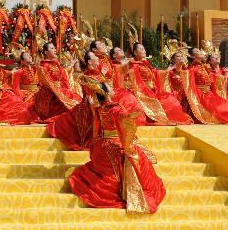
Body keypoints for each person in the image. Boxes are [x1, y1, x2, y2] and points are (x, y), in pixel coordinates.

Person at [68, 81, 165, 213]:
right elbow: (122, 116)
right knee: (138, 157)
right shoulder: (114, 107)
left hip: (101, 145)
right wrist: (133, 114)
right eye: (110, 88)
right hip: (114, 145)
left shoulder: (98, 107)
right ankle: (129, 191)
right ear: (107, 94)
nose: (113, 88)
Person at [127, 42, 192, 124]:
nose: (145, 51)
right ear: (135, 52)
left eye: (144, 49)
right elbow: (134, 81)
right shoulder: (134, 66)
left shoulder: (145, 64)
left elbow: (155, 73)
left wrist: (167, 70)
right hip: (143, 93)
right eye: (142, 49)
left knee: (170, 99)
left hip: (153, 91)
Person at [0, 41, 36, 124]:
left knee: (22, 107)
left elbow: (3, 74)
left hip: (2, 91)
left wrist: (11, 73)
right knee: (19, 110)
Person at [184, 48, 228, 124]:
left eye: (200, 50)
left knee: (227, 106)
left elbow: (213, 80)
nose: (200, 51)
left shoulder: (205, 67)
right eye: (197, 51)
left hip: (210, 93)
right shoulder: (191, 69)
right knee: (222, 108)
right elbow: (189, 84)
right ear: (193, 56)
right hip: (200, 95)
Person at [35, 42, 81, 121]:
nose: (55, 50)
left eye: (54, 48)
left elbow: (63, 73)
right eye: (52, 48)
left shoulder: (56, 64)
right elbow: (46, 81)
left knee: (75, 98)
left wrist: (71, 65)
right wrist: (58, 90)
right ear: (46, 52)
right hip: (51, 93)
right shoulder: (43, 66)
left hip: (59, 89)